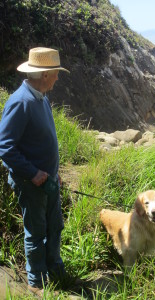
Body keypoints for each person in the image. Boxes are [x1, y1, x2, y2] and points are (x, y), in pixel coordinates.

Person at [0, 47, 70, 295]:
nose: (58, 78)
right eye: (55, 73)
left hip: (49, 179)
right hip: (31, 183)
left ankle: (56, 268)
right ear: (44, 76)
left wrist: (54, 171)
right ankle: (37, 281)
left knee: (55, 225)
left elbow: (43, 142)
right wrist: (32, 173)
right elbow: (4, 146)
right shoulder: (20, 102)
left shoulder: (41, 97)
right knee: (36, 232)